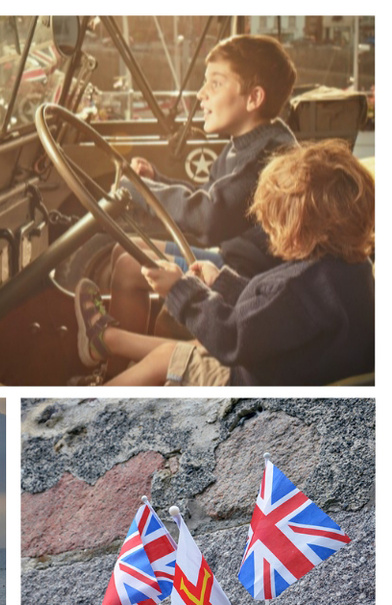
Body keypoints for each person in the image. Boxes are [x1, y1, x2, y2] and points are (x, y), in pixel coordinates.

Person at [73, 139, 374, 387]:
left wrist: (180, 289)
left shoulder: (296, 287)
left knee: (165, 360)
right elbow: (270, 315)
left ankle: (84, 416)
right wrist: (221, 283)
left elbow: (232, 337)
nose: (268, 231)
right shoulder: (350, 271)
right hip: (290, 377)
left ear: (300, 228)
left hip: (253, 389)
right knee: (170, 353)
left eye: (273, 223)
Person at [107, 35, 298, 365]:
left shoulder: (271, 156)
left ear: (253, 98)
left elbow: (210, 217)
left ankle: (121, 369)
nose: (201, 93)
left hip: (249, 277)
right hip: (230, 259)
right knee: (123, 252)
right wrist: (156, 180)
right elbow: (210, 194)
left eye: (216, 82)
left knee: (127, 263)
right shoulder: (244, 142)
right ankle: (130, 368)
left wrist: (142, 192)